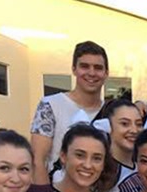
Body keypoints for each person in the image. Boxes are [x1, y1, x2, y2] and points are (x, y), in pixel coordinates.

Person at [31, 41, 109, 184]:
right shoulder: (50, 105)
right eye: (84, 66)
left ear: (106, 73)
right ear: (74, 69)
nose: (91, 73)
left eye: (98, 68)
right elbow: (38, 159)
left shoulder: (112, 112)